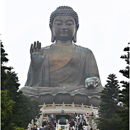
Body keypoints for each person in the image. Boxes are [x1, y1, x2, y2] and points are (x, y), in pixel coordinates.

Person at [22, 6, 102, 91]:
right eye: (59, 24)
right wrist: (36, 66)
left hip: (77, 91)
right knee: (24, 91)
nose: (63, 27)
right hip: (48, 92)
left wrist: (92, 80)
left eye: (69, 24)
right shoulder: (43, 52)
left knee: (100, 92)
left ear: (76, 27)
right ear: (51, 27)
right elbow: (31, 85)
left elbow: (95, 80)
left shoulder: (86, 53)